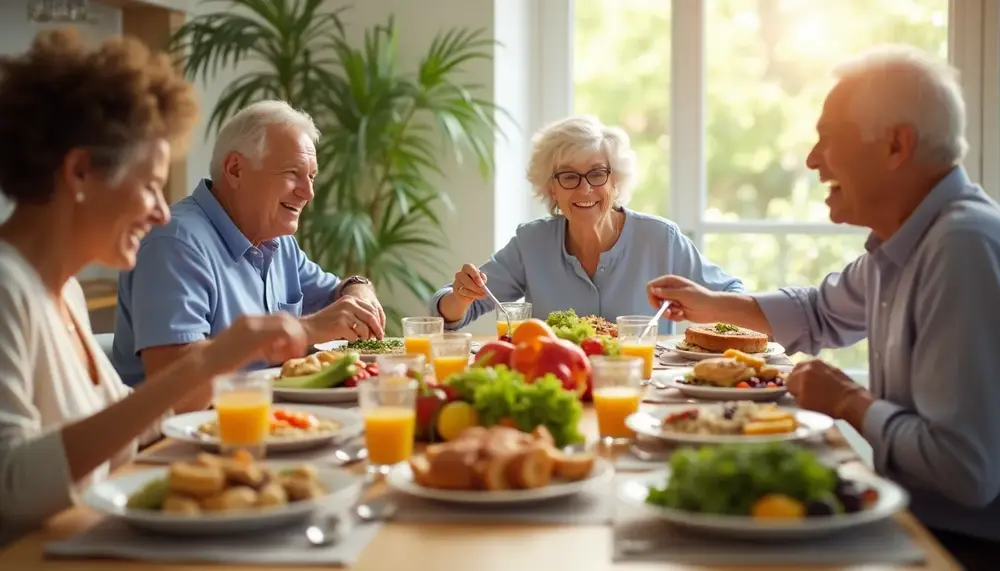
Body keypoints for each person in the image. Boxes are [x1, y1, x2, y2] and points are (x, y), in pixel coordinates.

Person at [646, 45, 1000, 568]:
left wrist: (849, 401)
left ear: (896, 145)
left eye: (827, 138)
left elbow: (965, 472)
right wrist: (708, 303)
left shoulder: (960, 246)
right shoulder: (906, 241)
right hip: (914, 521)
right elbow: (818, 313)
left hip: (958, 548)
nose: (812, 160)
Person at [0, 29, 308, 543]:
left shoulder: (64, 293)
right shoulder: (7, 292)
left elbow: (127, 427)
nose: (162, 211)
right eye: (149, 185)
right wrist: (207, 360)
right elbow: (10, 491)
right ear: (79, 172)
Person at [111, 100, 387, 406]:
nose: (308, 193)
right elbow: (174, 388)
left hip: (266, 425)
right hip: (176, 441)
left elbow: (337, 296)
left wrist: (358, 291)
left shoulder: (278, 242)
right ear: (236, 169)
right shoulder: (175, 242)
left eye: (311, 177)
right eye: (293, 173)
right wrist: (303, 330)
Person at [430, 115, 744, 330]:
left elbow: (733, 294)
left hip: (642, 387)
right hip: (557, 385)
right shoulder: (532, 242)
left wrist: (703, 317)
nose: (585, 189)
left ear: (615, 182)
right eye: (569, 176)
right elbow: (447, 315)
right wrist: (460, 296)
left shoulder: (659, 238)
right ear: (550, 187)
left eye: (597, 174)